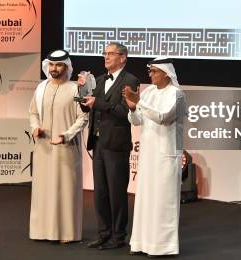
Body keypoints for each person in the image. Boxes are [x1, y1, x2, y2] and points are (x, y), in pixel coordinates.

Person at [123, 57, 186, 256]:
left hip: (166, 155)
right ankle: (142, 243)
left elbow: (163, 117)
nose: (150, 75)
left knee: (163, 202)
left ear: (166, 73)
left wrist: (138, 101)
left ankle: (163, 247)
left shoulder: (177, 95)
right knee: (146, 199)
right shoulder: (149, 92)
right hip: (148, 155)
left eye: (154, 71)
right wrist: (133, 108)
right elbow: (137, 120)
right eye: (150, 71)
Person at [80, 42, 140, 249]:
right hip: (98, 143)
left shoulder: (130, 80)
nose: (106, 57)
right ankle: (103, 233)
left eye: (111, 54)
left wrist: (98, 104)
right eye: (104, 54)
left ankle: (118, 235)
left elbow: (126, 113)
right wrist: (82, 94)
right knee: (101, 193)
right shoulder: (98, 80)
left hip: (116, 145)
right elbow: (90, 108)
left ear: (123, 57)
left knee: (117, 193)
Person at [28, 50, 88, 243]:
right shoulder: (41, 88)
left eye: (59, 65)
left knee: (65, 190)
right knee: (43, 190)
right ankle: (41, 231)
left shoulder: (76, 89)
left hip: (67, 149)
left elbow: (83, 117)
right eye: (52, 65)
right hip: (44, 149)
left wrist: (67, 135)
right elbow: (33, 113)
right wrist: (35, 127)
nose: (54, 69)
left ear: (67, 67)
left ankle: (67, 234)